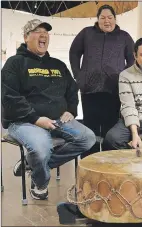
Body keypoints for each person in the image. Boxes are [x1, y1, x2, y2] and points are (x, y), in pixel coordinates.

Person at [1, 19, 96, 200]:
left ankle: (33, 164)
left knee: (88, 138)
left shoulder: (58, 65)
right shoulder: (15, 64)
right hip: (24, 121)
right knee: (41, 149)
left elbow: (72, 89)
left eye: (46, 32)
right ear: (26, 37)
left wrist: (71, 110)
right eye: (37, 31)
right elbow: (9, 97)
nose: (43, 35)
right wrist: (36, 119)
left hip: (58, 119)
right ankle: (40, 183)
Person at [69, 4, 135, 155]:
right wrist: (78, 75)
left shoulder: (124, 37)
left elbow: (132, 59)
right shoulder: (87, 33)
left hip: (113, 90)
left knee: (110, 131)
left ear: (115, 19)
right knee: (90, 129)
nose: (107, 21)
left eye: (110, 17)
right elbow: (74, 52)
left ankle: (107, 164)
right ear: (97, 19)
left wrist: (123, 77)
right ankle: (89, 163)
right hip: (89, 90)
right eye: (103, 18)